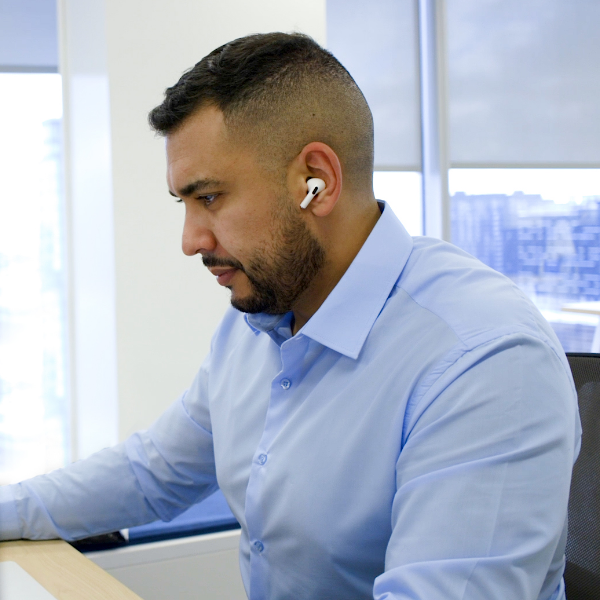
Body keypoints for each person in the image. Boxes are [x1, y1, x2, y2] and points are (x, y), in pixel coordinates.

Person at [0, 33, 581, 600]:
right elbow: (150, 472)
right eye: (185, 203)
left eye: (209, 198)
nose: (190, 240)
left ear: (316, 182)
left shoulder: (486, 361)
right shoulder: (259, 320)